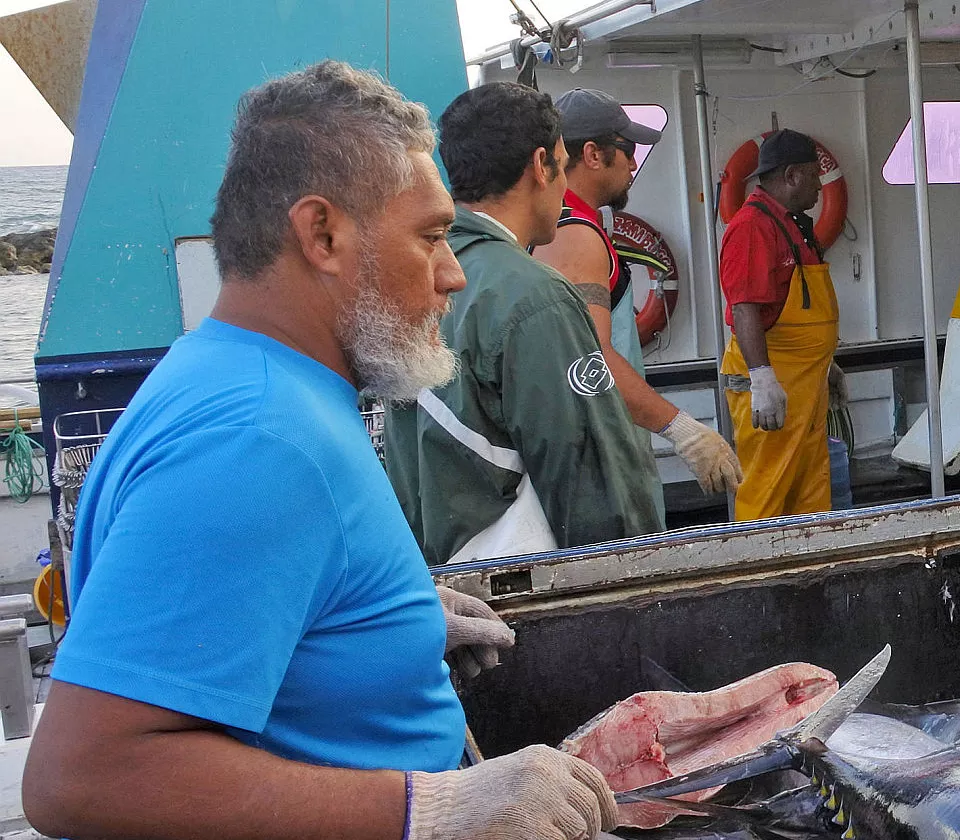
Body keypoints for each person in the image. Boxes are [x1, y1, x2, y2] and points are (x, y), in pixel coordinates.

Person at [22, 61, 618, 840]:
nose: (452, 275)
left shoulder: (240, 374)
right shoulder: (257, 440)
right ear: (323, 234)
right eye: (431, 236)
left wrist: (365, 619)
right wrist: (431, 809)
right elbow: (81, 777)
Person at [383, 82, 665, 564]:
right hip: (529, 590)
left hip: (440, 580)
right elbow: (591, 478)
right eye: (560, 165)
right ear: (541, 165)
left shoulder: (419, 278)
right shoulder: (535, 296)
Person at [534, 88, 742, 500]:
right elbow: (591, 355)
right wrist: (682, 430)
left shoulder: (562, 224)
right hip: (598, 458)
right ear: (592, 154)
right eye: (626, 150)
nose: (633, 164)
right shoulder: (574, 234)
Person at [718, 128, 843, 521]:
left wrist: (828, 365)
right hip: (775, 389)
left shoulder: (790, 224)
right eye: (813, 176)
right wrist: (762, 380)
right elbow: (745, 308)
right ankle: (757, 578)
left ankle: (810, 573)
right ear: (791, 176)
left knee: (809, 488)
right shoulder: (752, 226)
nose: (821, 188)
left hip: (805, 386)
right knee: (766, 488)